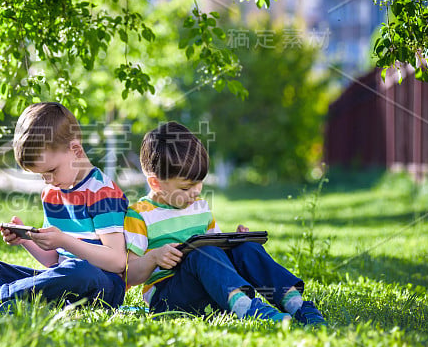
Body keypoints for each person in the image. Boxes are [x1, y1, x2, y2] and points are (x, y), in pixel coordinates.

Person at [124, 121, 326, 325]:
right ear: (155, 183)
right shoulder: (140, 216)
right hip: (168, 297)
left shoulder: (199, 207)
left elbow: (216, 250)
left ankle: (295, 304)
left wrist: (233, 241)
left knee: (246, 249)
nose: (196, 191)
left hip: (212, 287)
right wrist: (153, 258)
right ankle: (246, 308)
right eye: (186, 187)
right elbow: (129, 275)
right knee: (203, 253)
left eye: (199, 182)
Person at [0, 102, 128, 311]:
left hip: (101, 286)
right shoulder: (51, 193)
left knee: (78, 270)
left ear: (75, 150)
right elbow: (52, 262)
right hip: (61, 280)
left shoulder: (102, 192)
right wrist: (26, 240)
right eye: (42, 175)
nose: (48, 180)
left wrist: (65, 241)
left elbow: (117, 261)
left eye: (52, 171)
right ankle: (24, 302)